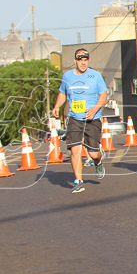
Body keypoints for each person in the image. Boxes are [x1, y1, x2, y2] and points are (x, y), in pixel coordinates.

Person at [52, 48, 108, 194]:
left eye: (85, 60)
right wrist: (57, 106)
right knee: (75, 150)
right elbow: (62, 93)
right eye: (80, 60)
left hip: (92, 119)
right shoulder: (67, 76)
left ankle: (98, 161)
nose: (83, 63)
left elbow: (104, 96)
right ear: (75, 61)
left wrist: (94, 109)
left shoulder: (95, 76)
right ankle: (78, 181)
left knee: (93, 153)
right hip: (75, 118)